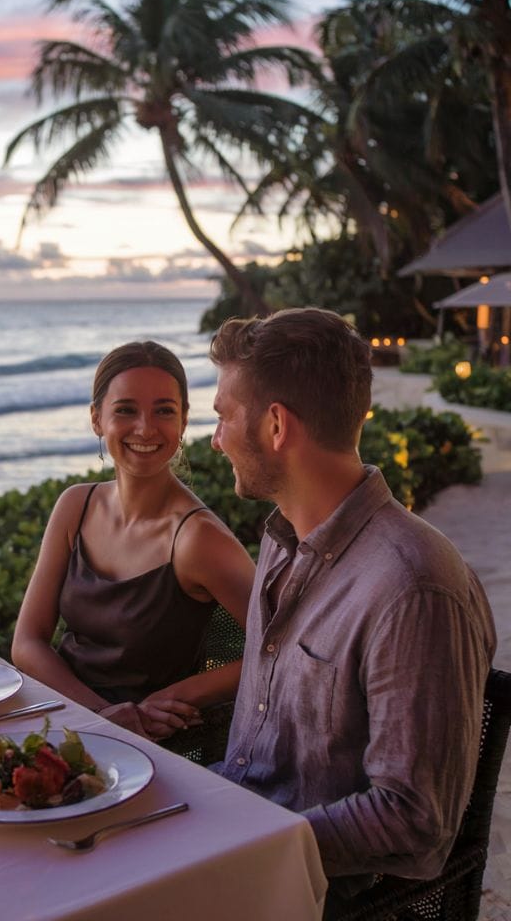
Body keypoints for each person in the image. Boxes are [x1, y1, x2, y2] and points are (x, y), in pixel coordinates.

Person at [207, 309, 496, 910]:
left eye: (223, 417)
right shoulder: (282, 539)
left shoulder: (412, 588)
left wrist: (239, 848)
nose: (215, 439)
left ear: (277, 425)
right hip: (233, 843)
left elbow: (415, 818)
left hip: (303, 893)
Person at [11, 340, 255, 741]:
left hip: (154, 746)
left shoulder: (198, 539)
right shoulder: (76, 505)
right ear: (96, 419)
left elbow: (279, 646)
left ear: (183, 422)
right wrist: (100, 714)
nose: (145, 428)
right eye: (125, 410)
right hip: (65, 723)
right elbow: (27, 643)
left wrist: (181, 694)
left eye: (164, 411)